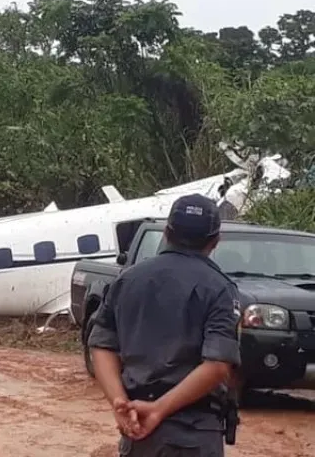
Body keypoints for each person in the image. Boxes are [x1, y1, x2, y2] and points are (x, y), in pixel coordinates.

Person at [88, 194, 242, 457]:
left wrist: (119, 401)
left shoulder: (128, 279)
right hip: (193, 435)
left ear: (167, 232)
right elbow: (217, 366)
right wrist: (158, 409)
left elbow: (101, 345)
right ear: (215, 240)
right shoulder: (219, 289)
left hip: (138, 432)